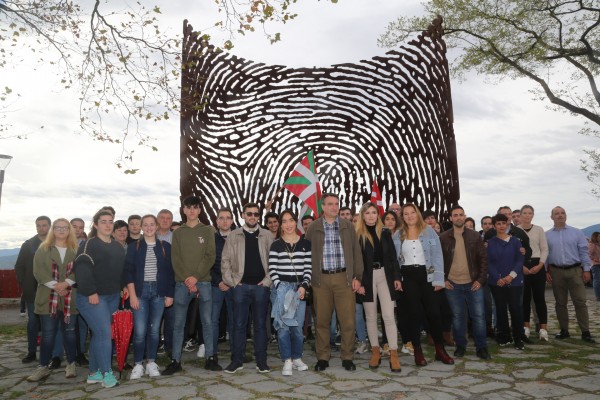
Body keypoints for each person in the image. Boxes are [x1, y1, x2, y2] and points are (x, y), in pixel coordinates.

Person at [305, 193, 363, 372]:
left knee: (347, 321)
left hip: (344, 279)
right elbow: (307, 255)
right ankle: (323, 357)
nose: (334, 207)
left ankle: (347, 356)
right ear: (322, 207)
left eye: (336, 204)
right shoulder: (313, 227)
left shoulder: (347, 226)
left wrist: (358, 277)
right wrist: (310, 279)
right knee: (322, 320)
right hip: (320, 280)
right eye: (330, 204)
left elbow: (356, 253)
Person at [163, 196, 220, 375]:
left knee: (207, 322)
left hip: (203, 282)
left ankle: (211, 358)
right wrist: (187, 279)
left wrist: (195, 277)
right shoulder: (178, 232)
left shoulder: (208, 230)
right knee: (179, 324)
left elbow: (210, 256)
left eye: (195, 207)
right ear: (184, 210)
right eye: (189, 207)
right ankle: (175, 360)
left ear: (199, 210)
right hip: (182, 284)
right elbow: (176, 259)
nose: (192, 210)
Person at [74, 209, 126, 388]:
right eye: (103, 221)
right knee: (105, 333)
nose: (108, 224)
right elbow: (82, 268)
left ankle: (94, 373)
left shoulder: (116, 246)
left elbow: (120, 271)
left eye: (110, 221)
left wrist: (124, 287)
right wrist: (90, 292)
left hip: (112, 297)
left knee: (99, 334)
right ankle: (107, 374)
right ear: (95, 225)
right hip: (91, 298)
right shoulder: (89, 245)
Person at [397, 203, 453, 366]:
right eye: (405, 214)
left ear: (417, 214)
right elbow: (394, 259)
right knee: (414, 315)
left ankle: (440, 350)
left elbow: (437, 256)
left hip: (427, 276)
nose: (409, 216)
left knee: (434, 314)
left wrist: (438, 279)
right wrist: (397, 279)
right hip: (408, 277)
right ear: (403, 217)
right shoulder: (398, 235)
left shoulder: (429, 232)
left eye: (412, 212)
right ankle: (418, 352)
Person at [222, 203, 274, 374]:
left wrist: (267, 281)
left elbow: (274, 263)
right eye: (249, 214)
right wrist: (233, 283)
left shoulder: (267, 235)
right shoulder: (233, 235)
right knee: (238, 325)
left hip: (261, 288)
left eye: (256, 214)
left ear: (259, 216)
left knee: (260, 325)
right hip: (240, 288)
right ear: (243, 215)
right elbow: (225, 262)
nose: (253, 217)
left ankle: (261, 361)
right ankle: (237, 360)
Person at [26, 219, 79, 382]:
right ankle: (43, 366)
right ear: (53, 230)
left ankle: (71, 363)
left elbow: (80, 269)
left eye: (65, 227)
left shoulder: (76, 250)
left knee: (70, 333)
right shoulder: (43, 249)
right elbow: (38, 272)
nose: (61, 230)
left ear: (69, 230)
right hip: (48, 297)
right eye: (58, 227)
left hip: (70, 297)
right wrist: (57, 286)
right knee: (48, 334)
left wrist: (66, 283)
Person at [125, 214, 175, 380]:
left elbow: (169, 273)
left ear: (157, 225)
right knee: (139, 331)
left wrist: (169, 294)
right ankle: (138, 364)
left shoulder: (165, 246)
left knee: (154, 331)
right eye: (145, 225)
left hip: (159, 292)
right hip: (140, 292)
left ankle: (151, 362)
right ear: (141, 227)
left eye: (151, 224)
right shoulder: (134, 247)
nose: (148, 227)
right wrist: (132, 295)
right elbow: (128, 272)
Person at [439, 206, 490, 360]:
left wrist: (481, 280)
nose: (459, 218)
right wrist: (443, 280)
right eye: (455, 215)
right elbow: (437, 261)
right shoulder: (443, 237)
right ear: (451, 218)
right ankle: (460, 346)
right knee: (458, 317)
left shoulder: (475, 236)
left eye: (461, 215)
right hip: (452, 284)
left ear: (465, 216)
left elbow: (483, 260)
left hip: (473, 283)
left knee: (479, 316)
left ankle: (482, 348)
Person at [356, 203, 402, 372]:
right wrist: (358, 281)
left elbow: (393, 258)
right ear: (363, 215)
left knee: (389, 315)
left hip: (385, 276)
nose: (371, 216)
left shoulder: (385, 233)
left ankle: (393, 353)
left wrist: (397, 277)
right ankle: (375, 351)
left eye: (374, 212)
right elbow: (356, 261)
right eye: (367, 213)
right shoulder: (358, 234)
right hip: (366, 278)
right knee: (370, 316)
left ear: (378, 215)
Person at [268, 210, 312, 376]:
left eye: (291, 220)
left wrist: (304, 286)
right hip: (282, 288)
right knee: (283, 326)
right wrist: (280, 287)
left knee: (297, 326)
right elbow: (272, 269)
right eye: (284, 221)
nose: (288, 224)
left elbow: (308, 268)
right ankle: (287, 360)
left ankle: (297, 357)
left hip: (299, 288)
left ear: (296, 222)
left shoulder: (305, 243)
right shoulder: (276, 245)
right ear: (281, 224)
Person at [546, 206, 595, 343]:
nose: (560, 215)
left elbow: (583, 252)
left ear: (566, 215)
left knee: (580, 301)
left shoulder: (577, 233)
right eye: (557, 213)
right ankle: (564, 330)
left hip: (575, 271)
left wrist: (586, 270)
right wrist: (545, 272)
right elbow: (546, 255)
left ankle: (585, 332)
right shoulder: (547, 235)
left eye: (562, 213)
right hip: (556, 271)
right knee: (560, 303)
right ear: (552, 217)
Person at [487, 213, 525, 350]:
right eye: (498, 223)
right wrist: (498, 278)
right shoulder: (490, 243)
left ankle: (518, 338)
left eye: (504, 223)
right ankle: (504, 336)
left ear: (507, 224)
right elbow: (489, 263)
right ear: (494, 226)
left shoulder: (516, 241)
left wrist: (511, 276)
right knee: (501, 309)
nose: (501, 226)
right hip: (496, 283)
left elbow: (520, 261)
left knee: (515, 309)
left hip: (514, 282)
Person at [16, 215, 51, 364]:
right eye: (38, 225)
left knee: (49, 324)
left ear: (49, 226)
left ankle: (51, 353)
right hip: (33, 291)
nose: (41, 228)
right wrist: (25, 284)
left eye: (44, 225)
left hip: (51, 290)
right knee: (33, 323)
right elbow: (19, 267)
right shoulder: (29, 245)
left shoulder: (56, 242)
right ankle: (31, 352)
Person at [382, 210, 413, 356]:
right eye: (386, 219)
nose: (389, 222)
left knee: (403, 312)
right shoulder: (379, 235)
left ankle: (407, 342)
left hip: (401, 277)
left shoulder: (403, 234)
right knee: (386, 312)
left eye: (392, 219)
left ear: (397, 221)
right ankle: (386, 343)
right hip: (384, 278)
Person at [518, 205, 549, 342]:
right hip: (522, 266)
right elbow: (514, 251)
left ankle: (543, 329)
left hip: (538, 265)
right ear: (520, 215)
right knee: (524, 298)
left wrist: (541, 264)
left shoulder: (539, 230)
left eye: (529, 213)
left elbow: (544, 249)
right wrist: (521, 266)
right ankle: (526, 328)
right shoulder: (515, 231)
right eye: (524, 213)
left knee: (539, 298)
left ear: (533, 215)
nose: (527, 215)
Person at [210, 207, 235, 360]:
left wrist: (230, 281)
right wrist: (219, 281)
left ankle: (236, 352)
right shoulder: (211, 239)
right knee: (213, 319)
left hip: (234, 285)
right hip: (216, 285)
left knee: (235, 319)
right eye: (221, 218)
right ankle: (212, 354)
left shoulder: (239, 237)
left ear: (232, 221)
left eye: (228, 218)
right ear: (217, 221)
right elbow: (207, 263)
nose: (225, 221)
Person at [589, 232, 600, 301]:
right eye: (599, 236)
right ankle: (598, 296)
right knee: (597, 280)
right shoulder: (592, 245)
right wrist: (596, 260)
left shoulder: (598, 245)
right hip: (595, 265)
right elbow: (588, 255)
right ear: (595, 237)